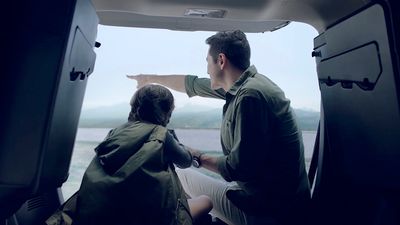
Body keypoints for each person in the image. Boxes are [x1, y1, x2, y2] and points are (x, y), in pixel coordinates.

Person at [127, 30, 311, 225]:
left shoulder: (250, 97)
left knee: (182, 174)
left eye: (208, 61)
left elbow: (238, 169)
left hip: (271, 213)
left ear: (221, 60)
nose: (206, 69)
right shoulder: (250, 85)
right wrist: (149, 79)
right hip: (277, 201)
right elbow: (193, 84)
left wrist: (194, 156)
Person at [73, 84, 213, 225]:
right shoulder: (162, 135)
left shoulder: (114, 132)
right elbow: (185, 161)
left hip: (103, 215)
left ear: (134, 106)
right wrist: (179, 144)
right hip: (146, 217)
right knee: (206, 202)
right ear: (167, 113)